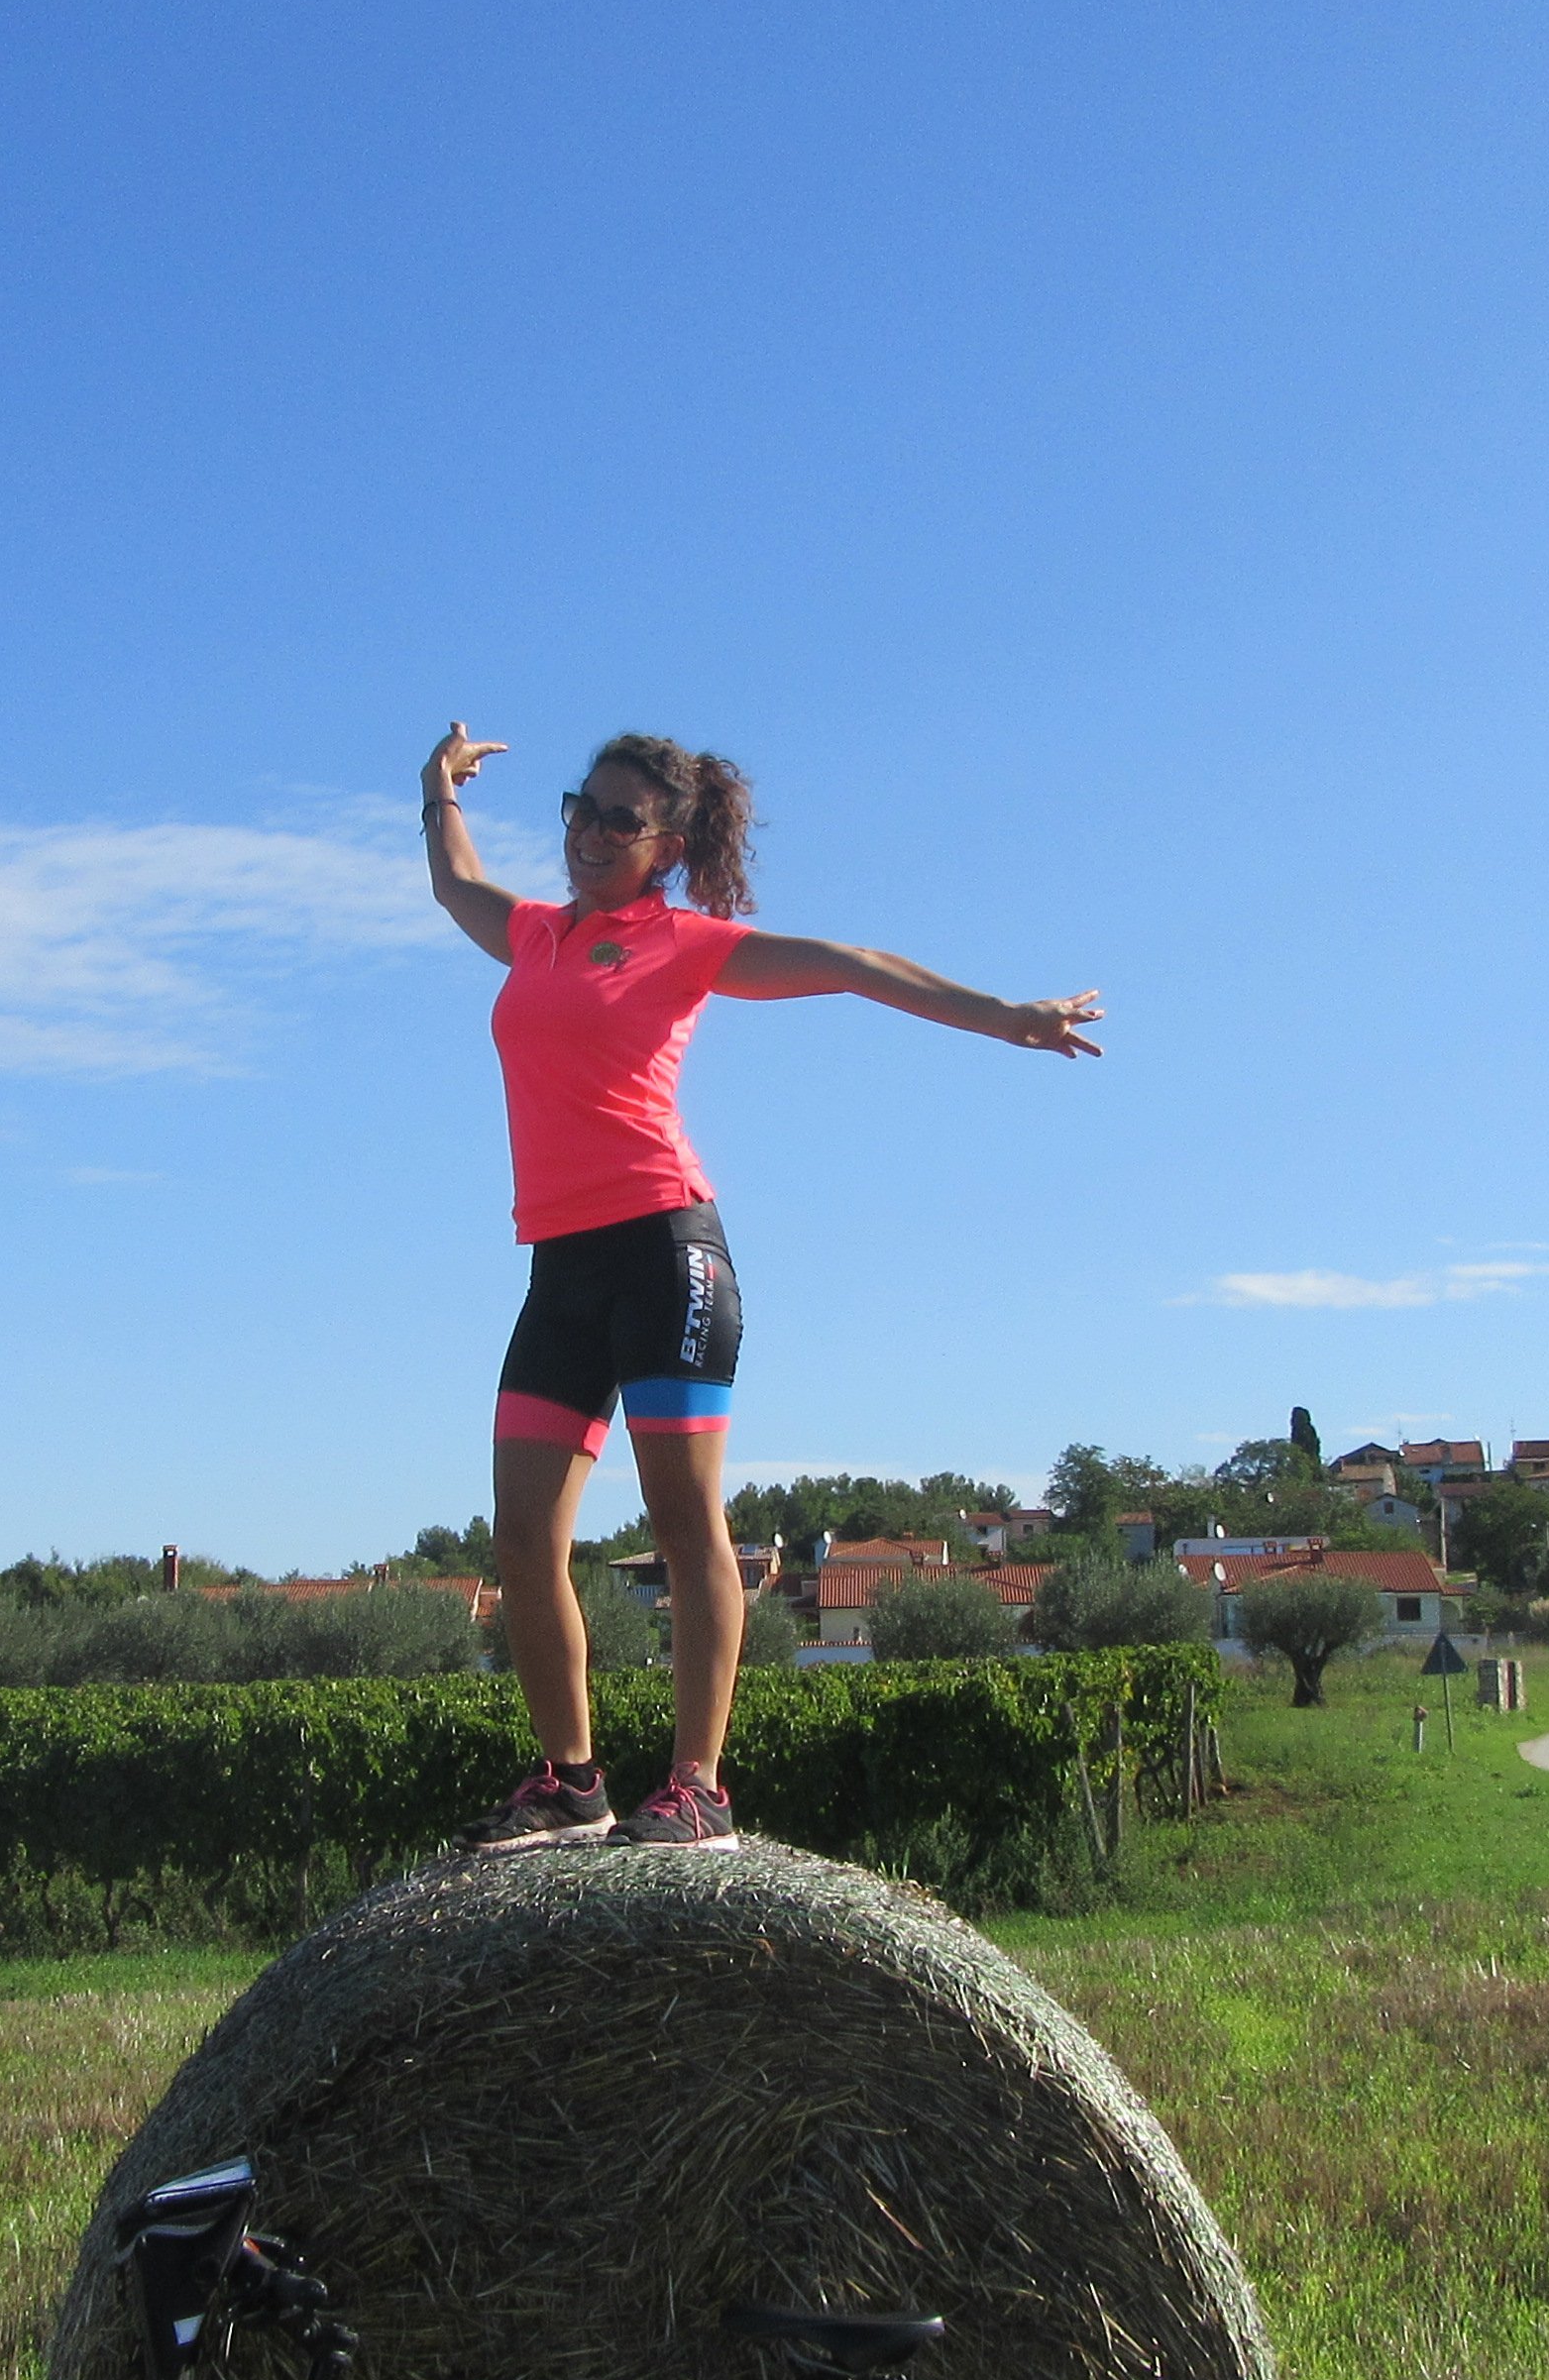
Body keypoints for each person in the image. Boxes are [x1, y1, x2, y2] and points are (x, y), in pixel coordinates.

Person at [421, 724, 1102, 1850]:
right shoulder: (535, 937)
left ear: (668, 846)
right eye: (577, 810)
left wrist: (1008, 1016)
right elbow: (458, 885)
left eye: (618, 821)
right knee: (521, 1540)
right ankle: (573, 1781)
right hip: (561, 1268)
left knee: (687, 1523)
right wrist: (437, 791)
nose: (588, 835)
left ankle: (699, 1787)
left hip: (666, 1249)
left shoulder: (682, 941)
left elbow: (848, 965)